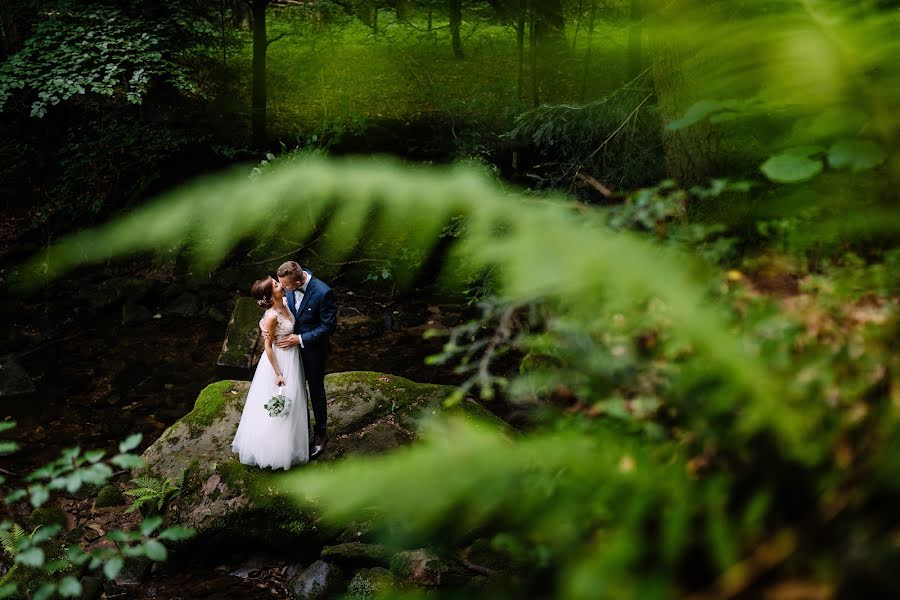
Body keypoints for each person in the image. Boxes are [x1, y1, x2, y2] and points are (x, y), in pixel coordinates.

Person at [231, 276, 309, 470]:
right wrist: (278, 373)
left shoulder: (286, 300)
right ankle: (273, 451)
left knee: (294, 399)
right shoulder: (272, 315)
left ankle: (291, 445)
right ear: (269, 295)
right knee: (280, 403)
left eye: (277, 281)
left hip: (292, 356)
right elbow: (267, 347)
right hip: (279, 361)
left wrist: (262, 324)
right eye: (276, 284)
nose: (280, 284)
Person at [275, 261, 337, 459]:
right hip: (291, 353)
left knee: (316, 391)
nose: (283, 288)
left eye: (286, 286)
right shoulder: (288, 284)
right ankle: (296, 433)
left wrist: (300, 338)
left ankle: (320, 434)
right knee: (293, 389)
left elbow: (329, 326)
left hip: (313, 351)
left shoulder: (323, 292)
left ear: (299, 279)